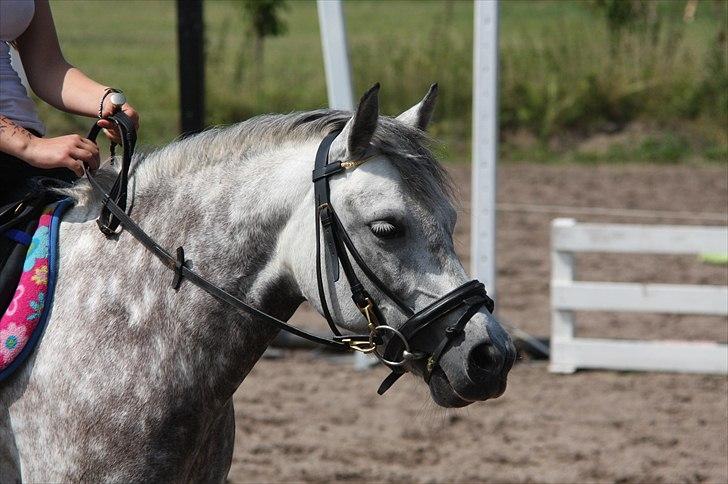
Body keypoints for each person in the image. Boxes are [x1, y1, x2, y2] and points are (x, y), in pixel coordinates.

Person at [0, 0, 139, 206]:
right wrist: (29, 145)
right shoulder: (29, 146)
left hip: (23, 154)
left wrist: (106, 101)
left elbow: (48, 67)